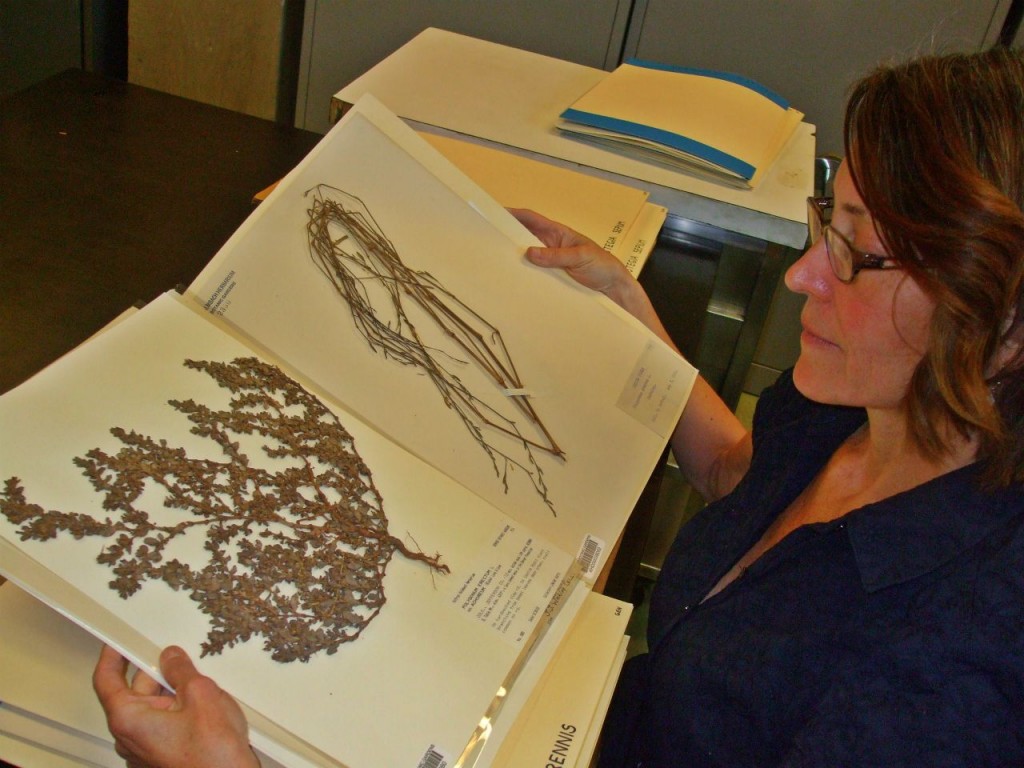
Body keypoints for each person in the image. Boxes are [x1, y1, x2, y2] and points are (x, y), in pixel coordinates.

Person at [94, 46, 1024, 766]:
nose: (802, 276)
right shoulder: (861, 403)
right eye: (831, 221)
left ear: (1003, 315)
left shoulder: (958, 670)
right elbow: (753, 484)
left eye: (859, 254)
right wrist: (631, 322)